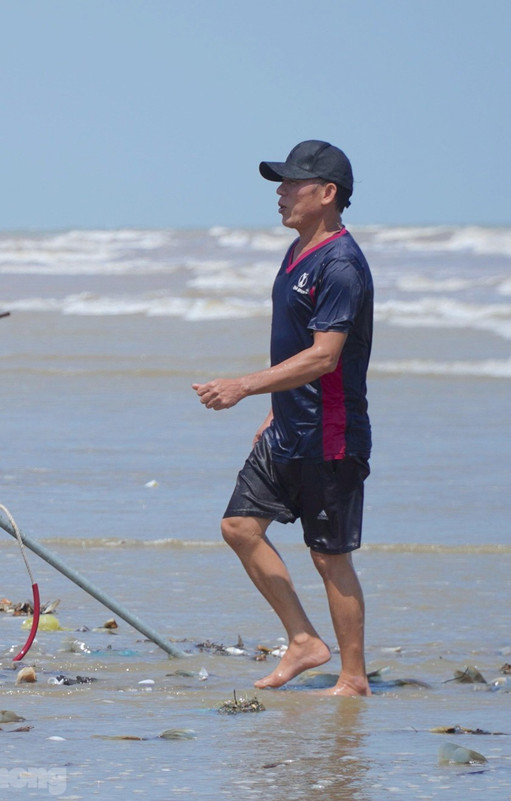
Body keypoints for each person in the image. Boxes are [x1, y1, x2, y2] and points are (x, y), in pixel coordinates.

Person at [192, 141, 374, 696]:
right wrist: (275, 405)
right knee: (240, 528)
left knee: (329, 558)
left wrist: (245, 386)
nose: (280, 193)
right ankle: (302, 641)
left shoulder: (341, 264)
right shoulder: (297, 251)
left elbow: (324, 355)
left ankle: (353, 678)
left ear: (327, 194)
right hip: (288, 426)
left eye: (292, 184)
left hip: (331, 432)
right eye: (280, 183)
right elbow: (295, 346)